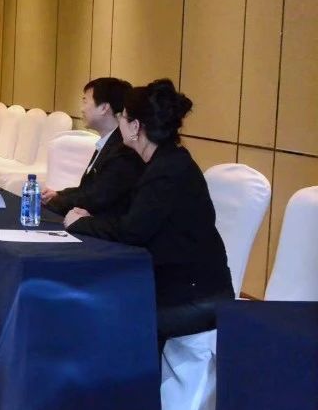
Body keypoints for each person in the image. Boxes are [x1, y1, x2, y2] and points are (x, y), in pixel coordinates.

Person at [64, 79, 233, 342]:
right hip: (172, 284)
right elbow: (133, 219)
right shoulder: (161, 162)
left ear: (135, 127)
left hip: (195, 296)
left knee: (107, 314)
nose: (119, 123)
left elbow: (132, 231)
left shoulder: (167, 171)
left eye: (123, 117)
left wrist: (80, 223)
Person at [43, 77, 144, 219]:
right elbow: (88, 190)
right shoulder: (109, 142)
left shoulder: (123, 150)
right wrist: (58, 194)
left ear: (104, 108)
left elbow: (96, 198)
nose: (82, 109)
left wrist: (55, 202)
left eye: (85, 101)